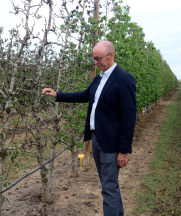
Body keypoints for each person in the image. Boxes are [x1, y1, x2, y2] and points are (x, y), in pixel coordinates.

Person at [42, 41, 136, 216]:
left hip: (111, 143)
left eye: (98, 58)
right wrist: (57, 94)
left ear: (111, 55)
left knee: (108, 188)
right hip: (96, 139)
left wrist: (124, 150)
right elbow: (84, 95)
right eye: (94, 59)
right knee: (109, 185)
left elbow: (129, 117)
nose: (96, 62)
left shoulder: (124, 79)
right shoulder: (99, 78)